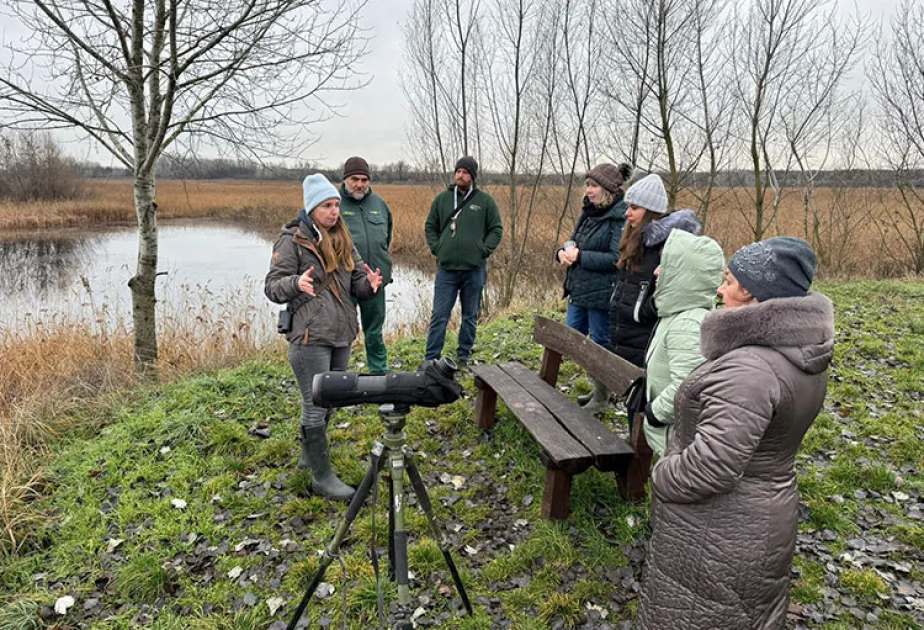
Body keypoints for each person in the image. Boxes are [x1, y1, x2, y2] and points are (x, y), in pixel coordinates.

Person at [638, 237, 834, 630]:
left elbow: (712, 467)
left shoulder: (750, 368)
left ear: (749, 291)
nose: (719, 289)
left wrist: (663, 473)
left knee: (697, 617)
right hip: (765, 513)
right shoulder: (799, 349)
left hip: (720, 529)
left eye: (728, 281)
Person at [264, 173, 383, 501]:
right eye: (327, 205)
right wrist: (294, 284)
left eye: (336, 205)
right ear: (312, 208)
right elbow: (272, 285)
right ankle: (321, 477)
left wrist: (369, 284)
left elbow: (355, 279)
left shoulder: (343, 237)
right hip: (309, 337)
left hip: (341, 333)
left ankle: (308, 458)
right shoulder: (292, 240)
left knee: (331, 400)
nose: (334, 211)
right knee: (315, 404)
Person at [592, 173, 698, 414]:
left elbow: (672, 295)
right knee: (633, 399)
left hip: (645, 335)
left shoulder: (669, 246)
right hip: (626, 331)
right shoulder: (634, 237)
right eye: (628, 206)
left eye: (634, 208)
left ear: (651, 211)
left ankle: (637, 446)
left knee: (640, 401)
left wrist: (644, 309)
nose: (627, 213)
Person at [642, 228, 724, 457]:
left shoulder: (689, 323)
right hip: (669, 434)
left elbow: (686, 386)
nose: (656, 272)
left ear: (684, 275)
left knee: (672, 487)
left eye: (665, 266)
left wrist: (655, 413)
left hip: (674, 438)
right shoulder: (676, 314)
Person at [556, 163, 631, 408]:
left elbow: (616, 259)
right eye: (587, 185)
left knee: (600, 343)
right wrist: (564, 250)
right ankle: (599, 389)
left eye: (594, 186)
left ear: (607, 189)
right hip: (579, 288)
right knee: (572, 337)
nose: (588, 190)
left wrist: (580, 257)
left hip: (602, 292)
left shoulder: (619, 216)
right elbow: (574, 239)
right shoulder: (589, 212)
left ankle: (601, 396)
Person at [423, 156, 503, 367]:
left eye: (465, 172)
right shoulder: (442, 199)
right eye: (458, 171)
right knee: (439, 315)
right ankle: (431, 359)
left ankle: (463, 356)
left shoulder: (484, 201)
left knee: (469, 316)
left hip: (474, 269)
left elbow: (496, 229)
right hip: (446, 269)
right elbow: (430, 226)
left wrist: (483, 250)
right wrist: (437, 247)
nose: (460, 175)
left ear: (473, 176)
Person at [339, 156, 393, 375]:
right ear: (345, 179)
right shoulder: (335, 204)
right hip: (345, 282)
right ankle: (337, 375)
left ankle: (379, 374)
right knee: (342, 331)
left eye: (364, 179)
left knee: (374, 332)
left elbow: (386, 237)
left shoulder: (379, 204)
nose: (360, 184)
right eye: (354, 179)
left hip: (375, 281)